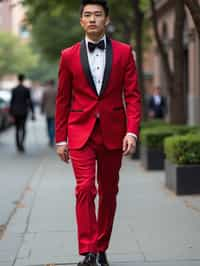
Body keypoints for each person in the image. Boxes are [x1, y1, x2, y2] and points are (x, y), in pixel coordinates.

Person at [55, 0, 141, 265]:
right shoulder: (68, 55)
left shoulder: (125, 52)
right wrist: (60, 139)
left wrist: (132, 132)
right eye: (87, 15)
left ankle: (101, 247)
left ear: (107, 19)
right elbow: (62, 99)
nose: (92, 19)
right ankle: (89, 249)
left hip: (114, 133)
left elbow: (133, 96)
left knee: (108, 191)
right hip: (80, 132)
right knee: (84, 188)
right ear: (81, 21)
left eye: (98, 15)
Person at [10, 74, 35, 152]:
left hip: (16, 111)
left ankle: (18, 145)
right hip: (24, 111)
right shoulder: (26, 89)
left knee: (17, 129)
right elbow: (30, 101)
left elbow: (12, 101)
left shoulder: (14, 89)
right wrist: (33, 112)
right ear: (23, 79)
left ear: (18, 79)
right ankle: (22, 143)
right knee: (23, 128)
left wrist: (11, 112)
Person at [41, 79, 57, 147]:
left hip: (48, 111)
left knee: (48, 125)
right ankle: (52, 139)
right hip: (55, 111)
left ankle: (50, 139)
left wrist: (42, 110)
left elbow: (43, 101)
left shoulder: (45, 91)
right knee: (53, 126)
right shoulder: (56, 91)